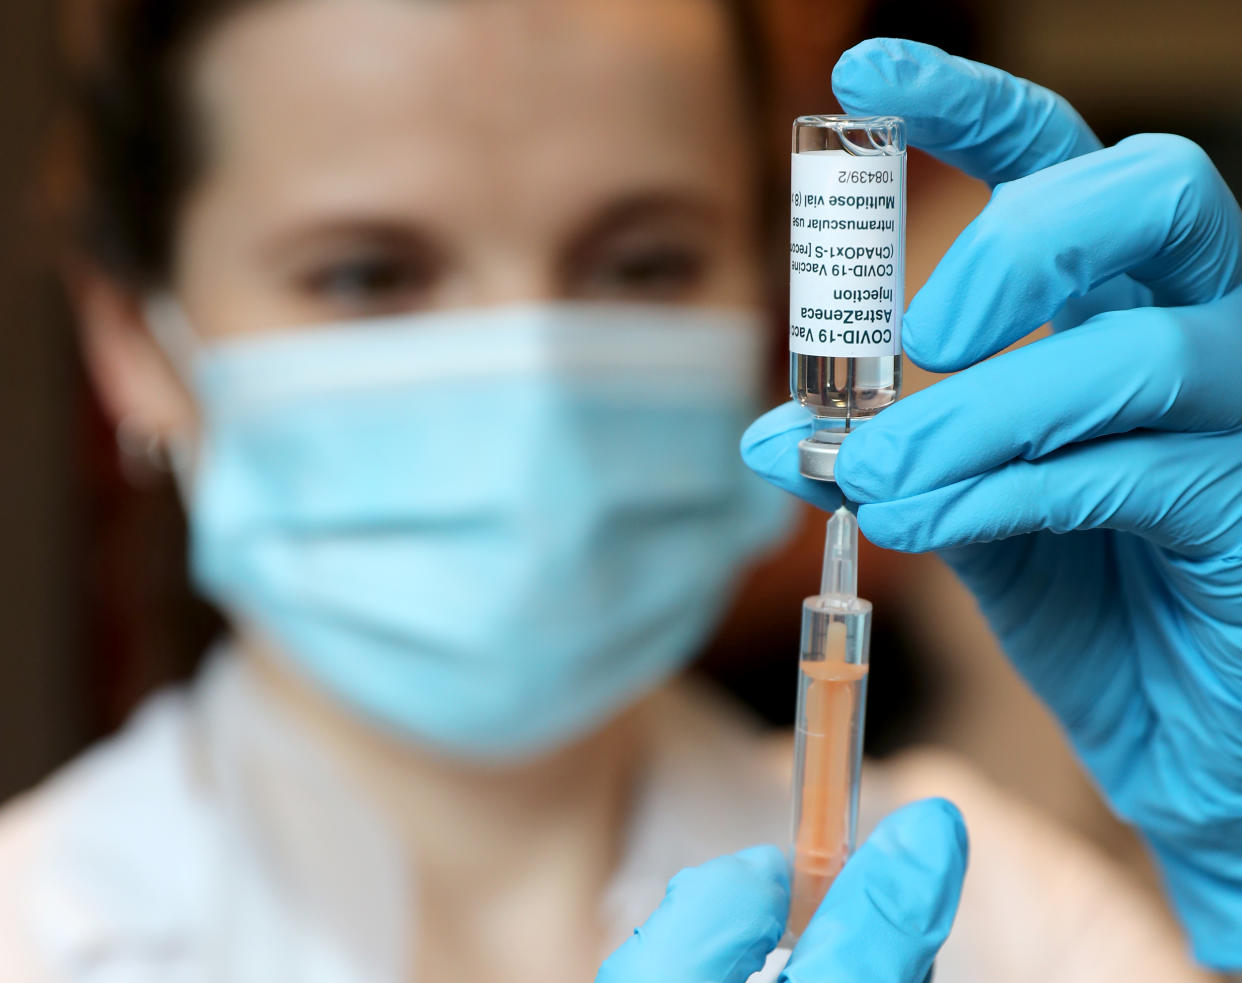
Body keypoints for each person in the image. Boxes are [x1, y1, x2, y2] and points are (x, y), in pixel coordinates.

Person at [0, 0, 1223, 979]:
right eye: (369, 273)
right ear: (129, 339)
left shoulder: (1006, 913)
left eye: (643, 260)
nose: (531, 370)